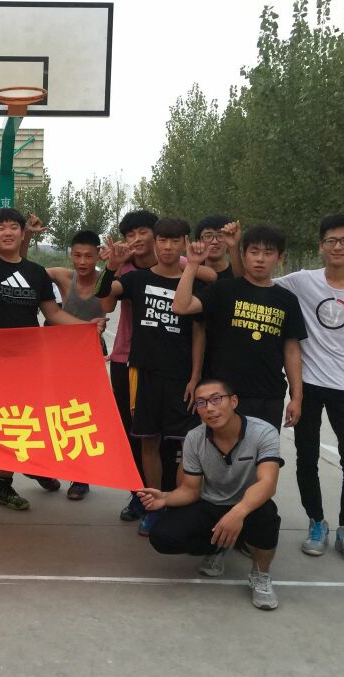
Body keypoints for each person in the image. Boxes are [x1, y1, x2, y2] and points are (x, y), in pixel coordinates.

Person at [0, 186, 106, 527]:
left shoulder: (36, 273)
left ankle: (4, 486)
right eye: (0, 227)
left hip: (26, 366)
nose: (7, 232)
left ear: (22, 234)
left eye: (13, 227)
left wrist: (86, 327)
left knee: (14, 426)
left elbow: (52, 313)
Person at [266, 214, 344, 565]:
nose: (337, 247)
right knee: (306, 457)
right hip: (307, 386)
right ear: (321, 246)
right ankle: (316, 522)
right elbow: (258, 279)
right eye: (331, 241)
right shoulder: (302, 281)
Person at [98, 211, 218, 523]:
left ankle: (176, 503)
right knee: (146, 441)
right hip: (143, 374)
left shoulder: (193, 282)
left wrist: (195, 375)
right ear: (156, 242)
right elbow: (103, 299)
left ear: (184, 243)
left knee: (183, 445)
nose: (167, 246)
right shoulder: (135, 279)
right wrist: (110, 267)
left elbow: (199, 332)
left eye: (173, 241)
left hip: (180, 376)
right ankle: (152, 504)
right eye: (163, 240)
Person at [140, 379, 283, 610]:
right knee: (163, 536)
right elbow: (190, 489)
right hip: (211, 503)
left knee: (267, 515)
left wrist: (238, 513)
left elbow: (268, 483)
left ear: (233, 401)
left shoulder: (263, 432)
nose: (210, 408)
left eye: (216, 399)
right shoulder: (195, 437)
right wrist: (165, 498)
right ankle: (218, 546)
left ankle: (260, 574)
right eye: (201, 403)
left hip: (248, 505)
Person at [172, 223, 307, 432]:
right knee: (221, 450)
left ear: (280, 257)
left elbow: (291, 350)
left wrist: (296, 397)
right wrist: (192, 265)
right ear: (243, 254)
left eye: (268, 253)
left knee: (262, 451)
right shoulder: (223, 290)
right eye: (254, 252)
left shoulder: (287, 300)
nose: (260, 259)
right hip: (224, 395)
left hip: (268, 395)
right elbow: (181, 306)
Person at [39, 229, 107, 500]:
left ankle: (80, 478)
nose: (82, 261)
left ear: (98, 255)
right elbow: (26, 271)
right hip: (58, 354)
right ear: (71, 255)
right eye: (77, 255)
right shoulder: (64, 276)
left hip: (89, 357)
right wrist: (27, 236)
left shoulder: (108, 281)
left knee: (81, 416)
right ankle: (44, 468)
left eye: (88, 256)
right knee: (50, 412)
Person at [195, 214, 235, 280]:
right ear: (198, 241)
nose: (214, 241)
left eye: (220, 236)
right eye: (208, 236)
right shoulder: (189, 275)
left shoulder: (238, 274)